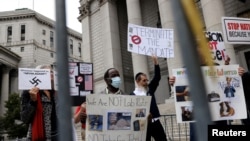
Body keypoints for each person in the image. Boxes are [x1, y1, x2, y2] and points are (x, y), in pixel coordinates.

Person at [168, 54, 245, 141]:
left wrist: (236, 73)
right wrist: (174, 82)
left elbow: (225, 83)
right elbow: (180, 90)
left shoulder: (215, 66)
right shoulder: (186, 70)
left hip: (217, 117)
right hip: (198, 117)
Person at [130, 55, 167, 141]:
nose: (146, 82)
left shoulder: (150, 90)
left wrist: (156, 62)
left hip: (156, 123)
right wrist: (145, 115)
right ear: (137, 81)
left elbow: (157, 77)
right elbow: (133, 111)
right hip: (143, 125)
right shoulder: (132, 95)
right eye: (144, 80)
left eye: (146, 80)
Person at [20, 64, 58, 141]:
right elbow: (24, 118)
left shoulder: (54, 92)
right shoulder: (29, 91)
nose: (51, 73)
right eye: (47, 72)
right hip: (40, 135)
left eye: (51, 71)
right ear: (39, 74)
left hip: (57, 134)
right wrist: (33, 101)